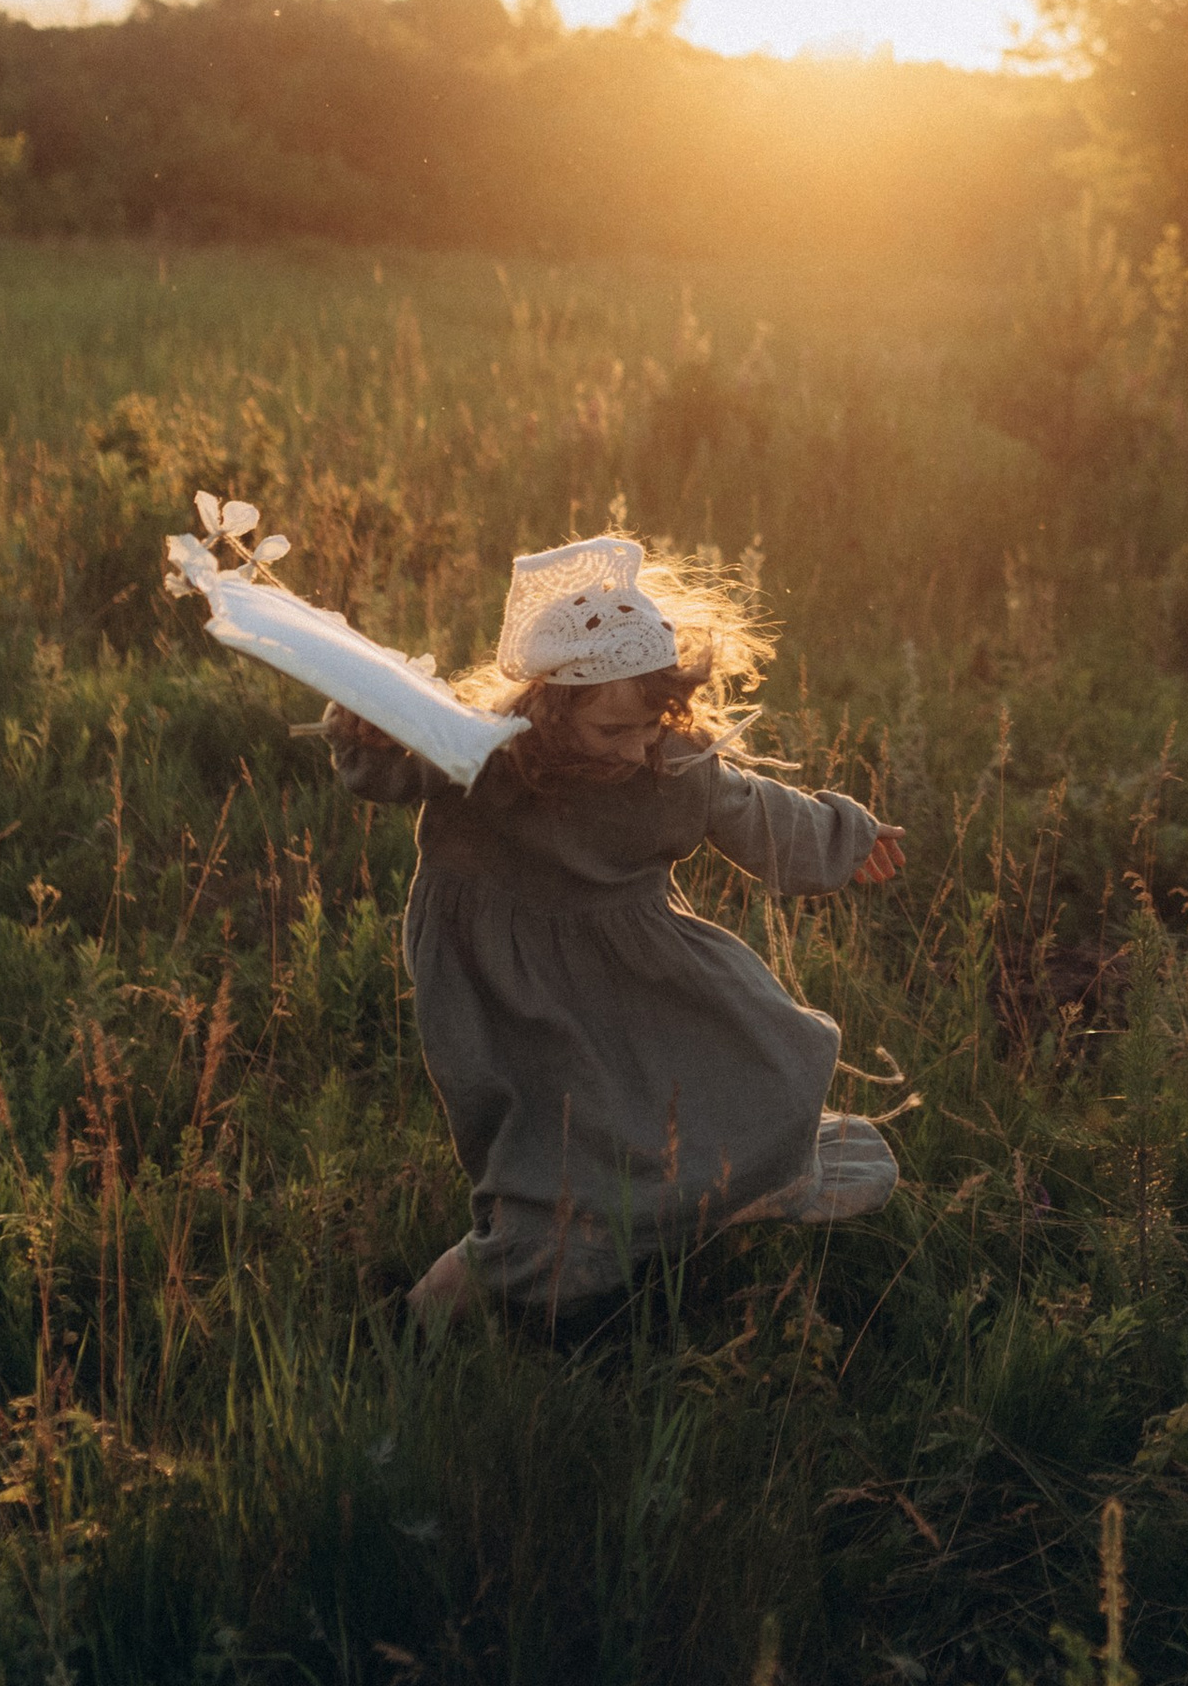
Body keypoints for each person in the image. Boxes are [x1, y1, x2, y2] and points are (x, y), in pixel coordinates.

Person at [324, 534, 906, 1329]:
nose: (635, 749)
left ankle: (681, 1220)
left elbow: (758, 812)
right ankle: (414, 1323)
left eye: (652, 724)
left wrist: (848, 838)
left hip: (643, 980)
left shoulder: (671, 763)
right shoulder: (480, 754)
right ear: (548, 706)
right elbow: (386, 770)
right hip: (506, 989)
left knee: (746, 1088)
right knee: (550, 1169)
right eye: (612, 732)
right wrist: (371, 727)